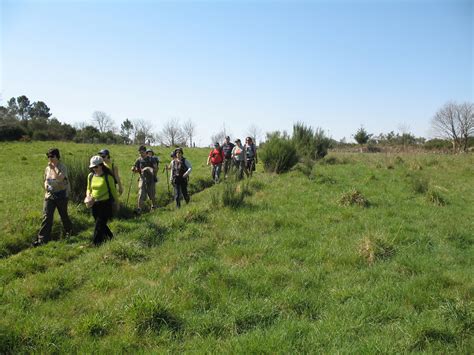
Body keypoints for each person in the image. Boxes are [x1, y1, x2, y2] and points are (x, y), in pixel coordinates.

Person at [34, 148, 73, 246]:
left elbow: (60, 179)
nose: (50, 158)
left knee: (63, 215)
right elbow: (45, 179)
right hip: (50, 195)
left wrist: (53, 169)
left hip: (61, 195)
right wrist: (46, 186)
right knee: (47, 217)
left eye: (52, 156)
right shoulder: (47, 168)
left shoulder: (62, 167)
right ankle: (42, 240)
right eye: (48, 156)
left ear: (57, 157)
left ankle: (70, 232)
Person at [86, 156, 118, 245]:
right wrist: (88, 196)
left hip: (105, 204)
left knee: (98, 225)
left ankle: (95, 243)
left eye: (96, 167)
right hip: (94, 204)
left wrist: (117, 203)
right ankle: (111, 237)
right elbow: (88, 188)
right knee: (100, 224)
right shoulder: (91, 176)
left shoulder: (108, 177)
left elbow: (113, 192)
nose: (94, 169)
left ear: (101, 166)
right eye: (92, 167)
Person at [132, 145, 157, 213]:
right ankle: (139, 209)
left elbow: (155, 169)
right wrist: (133, 169)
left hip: (151, 179)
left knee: (151, 195)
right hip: (142, 179)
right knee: (140, 194)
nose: (141, 154)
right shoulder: (138, 160)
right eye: (139, 153)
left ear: (146, 152)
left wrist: (148, 168)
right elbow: (135, 167)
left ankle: (153, 207)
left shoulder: (151, 159)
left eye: (142, 152)